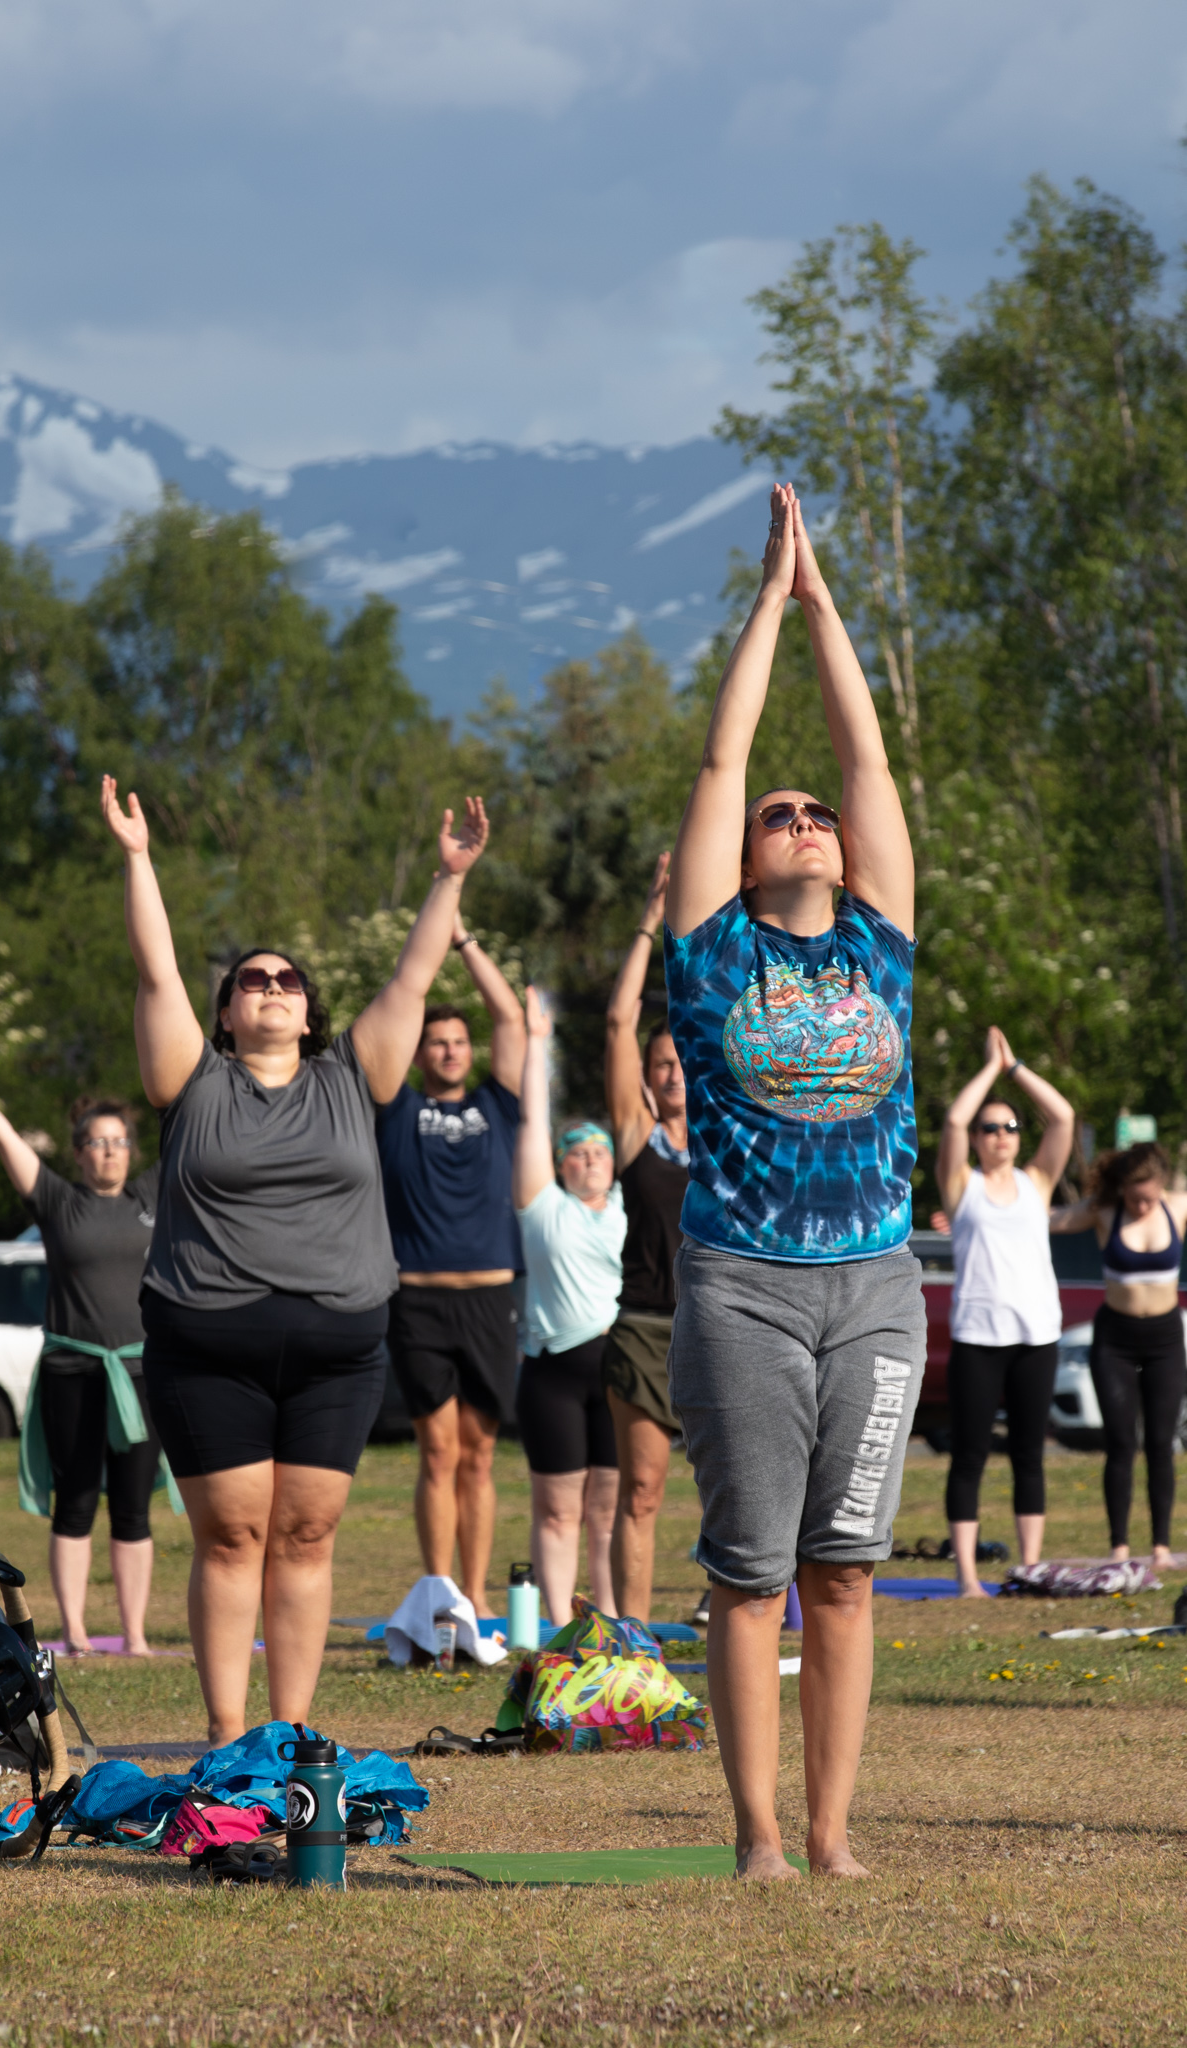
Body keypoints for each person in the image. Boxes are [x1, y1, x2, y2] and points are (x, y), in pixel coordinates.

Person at [100, 772, 490, 1743]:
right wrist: (140, 858)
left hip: (337, 1345)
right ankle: (231, 1737)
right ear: (226, 1010)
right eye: (250, 980)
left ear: (310, 1012)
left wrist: (448, 881)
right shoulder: (192, 1080)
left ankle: (293, 1736)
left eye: (288, 981)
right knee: (232, 1535)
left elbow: (409, 977)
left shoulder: (354, 1075)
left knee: (307, 1534)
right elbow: (155, 973)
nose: (270, 989)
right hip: (209, 1339)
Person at [663, 481, 926, 1881]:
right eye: (785, 816)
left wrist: (831, 608)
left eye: (816, 815)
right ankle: (757, 1836)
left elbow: (871, 768)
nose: (808, 818)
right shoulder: (712, 957)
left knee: (844, 1569)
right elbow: (718, 771)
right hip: (745, 1289)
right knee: (752, 1572)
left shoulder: (879, 944)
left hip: (878, 1287)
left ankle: (832, 1835)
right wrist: (765, 603)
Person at [0, 1034, 163, 1656]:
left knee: (133, 1507)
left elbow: (195, 1126)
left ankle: (135, 1635)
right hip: (72, 1368)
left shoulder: (149, 1198)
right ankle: (74, 1631)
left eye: (119, 1141)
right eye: (96, 1142)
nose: (109, 1151)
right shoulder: (57, 1201)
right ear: (77, 1153)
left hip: (136, 1372)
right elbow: (4, 1135)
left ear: (132, 1150)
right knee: (75, 1501)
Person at [376, 921, 525, 1617]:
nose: (448, 1049)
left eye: (458, 1042)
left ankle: (475, 1597)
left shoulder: (499, 1103)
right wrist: (425, 954)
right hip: (418, 1301)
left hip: (492, 1299)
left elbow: (510, 1017)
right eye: (436, 1041)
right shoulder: (396, 1110)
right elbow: (398, 1014)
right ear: (418, 1051)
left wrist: (466, 942)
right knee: (437, 1452)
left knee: (479, 1454)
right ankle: (438, 1596)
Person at [936, 1025, 1076, 1596]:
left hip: (1035, 1335)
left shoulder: (1037, 1182)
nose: (1000, 1135)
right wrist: (988, 1073)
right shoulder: (961, 1185)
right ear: (978, 1138)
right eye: (990, 1128)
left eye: (1009, 1127)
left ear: (1020, 1139)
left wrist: (1015, 1066)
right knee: (969, 1455)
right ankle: (968, 1575)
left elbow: (1063, 1117)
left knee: (1028, 1456)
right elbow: (950, 1122)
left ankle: (1030, 1568)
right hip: (977, 1336)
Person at [512, 988, 626, 1628]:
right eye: (577, 1152)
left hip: (616, 1374)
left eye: (600, 1151)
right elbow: (531, 1123)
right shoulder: (542, 1207)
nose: (589, 1160)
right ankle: (559, 1624)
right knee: (557, 1509)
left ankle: (608, 1618)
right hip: (552, 1372)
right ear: (560, 1165)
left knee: (607, 1510)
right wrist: (536, 1043)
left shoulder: (627, 1212)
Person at [602, 851, 688, 1621]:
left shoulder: (730, 1132)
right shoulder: (636, 1135)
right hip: (644, 1326)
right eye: (658, 1064)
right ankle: (633, 1634)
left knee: (745, 1491)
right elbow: (618, 1019)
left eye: (677, 1061)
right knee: (643, 1490)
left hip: (725, 1320)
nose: (668, 1072)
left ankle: (742, 1614)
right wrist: (651, 920)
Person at [1051, 1141, 1187, 1569]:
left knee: (1161, 1443)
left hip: (1165, 1338)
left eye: (1148, 1197)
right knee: (1121, 1443)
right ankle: (1119, 1548)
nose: (1142, 1205)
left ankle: (1161, 1548)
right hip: (1115, 1341)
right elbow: (1047, 1220)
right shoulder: (1104, 1211)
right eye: (1134, 1198)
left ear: (1162, 1185)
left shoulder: (1178, 1208)